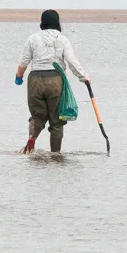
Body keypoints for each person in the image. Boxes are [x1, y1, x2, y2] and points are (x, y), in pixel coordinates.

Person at [15, 11, 92, 154]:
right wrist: (84, 77)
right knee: (57, 121)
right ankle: (55, 154)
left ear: (42, 23)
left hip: (35, 80)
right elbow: (71, 62)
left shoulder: (32, 39)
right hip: (55, 80)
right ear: (57, 23)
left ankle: (32, 137)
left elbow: (24, 61)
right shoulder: (62, 40)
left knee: (37, 117)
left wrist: (19, 76)